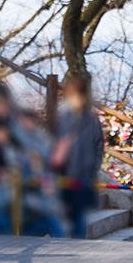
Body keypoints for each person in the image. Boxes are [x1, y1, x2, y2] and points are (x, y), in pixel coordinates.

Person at [52, 74, 103, 239]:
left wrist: (93, 166)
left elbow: (98, 145)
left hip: (84, 174)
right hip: (64, 173)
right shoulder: (63, 117)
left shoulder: (91, 119)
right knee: (64, 214)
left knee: (79, 216)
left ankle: (76, 244)